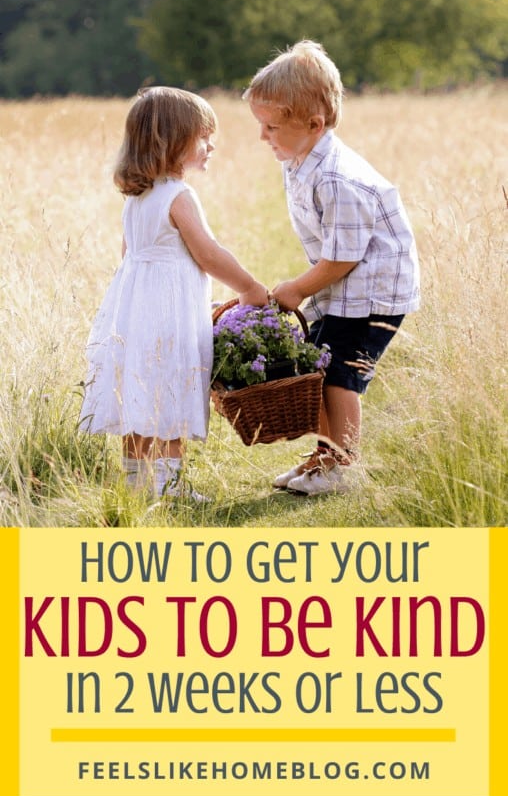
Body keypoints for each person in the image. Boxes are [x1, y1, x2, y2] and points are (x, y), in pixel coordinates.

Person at [244, 41, 420, 496]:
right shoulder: (299, 160)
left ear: (314, 124)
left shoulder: (337, 178)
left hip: (372, 292)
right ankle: (324, 456)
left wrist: (298, 288)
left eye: (271, 127)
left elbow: (345, 255)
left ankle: (343, 466)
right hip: (343, 290)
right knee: (317, 368)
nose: (263, 137)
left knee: (340, 375)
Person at [80, 86, 267, 502]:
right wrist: (250, 288)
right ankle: (168, 487)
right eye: (203, 136)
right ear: (173, 141)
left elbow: (129, 255)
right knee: (169, 389)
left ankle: (135, 480)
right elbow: (209, 255)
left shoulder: (137, 199)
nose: (211, 145)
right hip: (168, 315)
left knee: (140, 390)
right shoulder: (180, 196)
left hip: (135, 313)